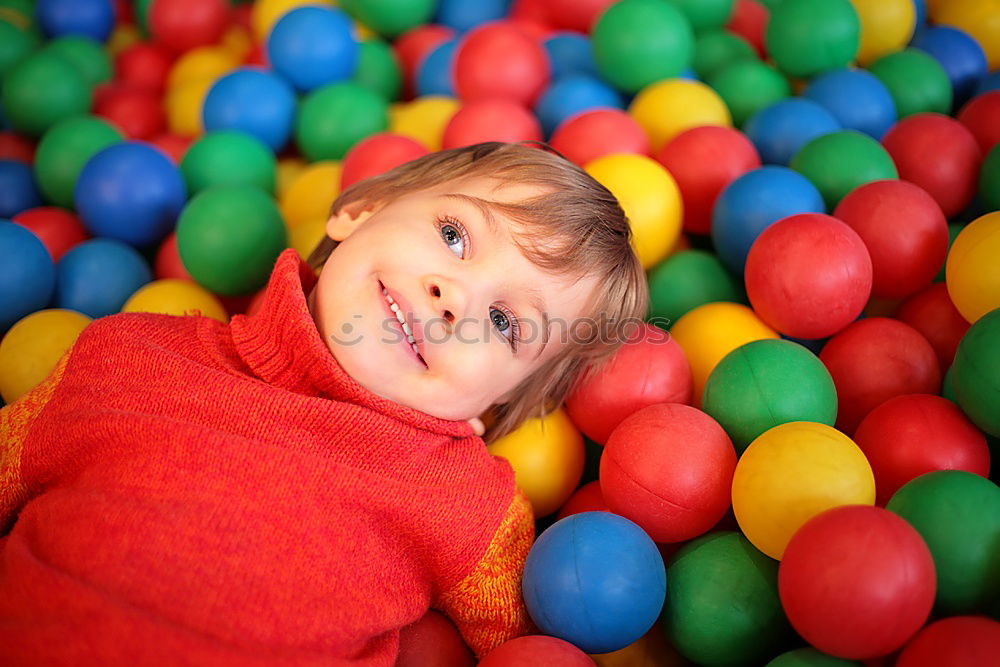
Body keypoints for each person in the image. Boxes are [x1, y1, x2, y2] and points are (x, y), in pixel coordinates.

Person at [0, 142, 647, 664]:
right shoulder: (125, 356)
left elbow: (528, 639)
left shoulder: (466, 501)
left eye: (506, 323)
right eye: (454, 235)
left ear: (494, 405)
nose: (456, 298)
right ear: (358, 211)